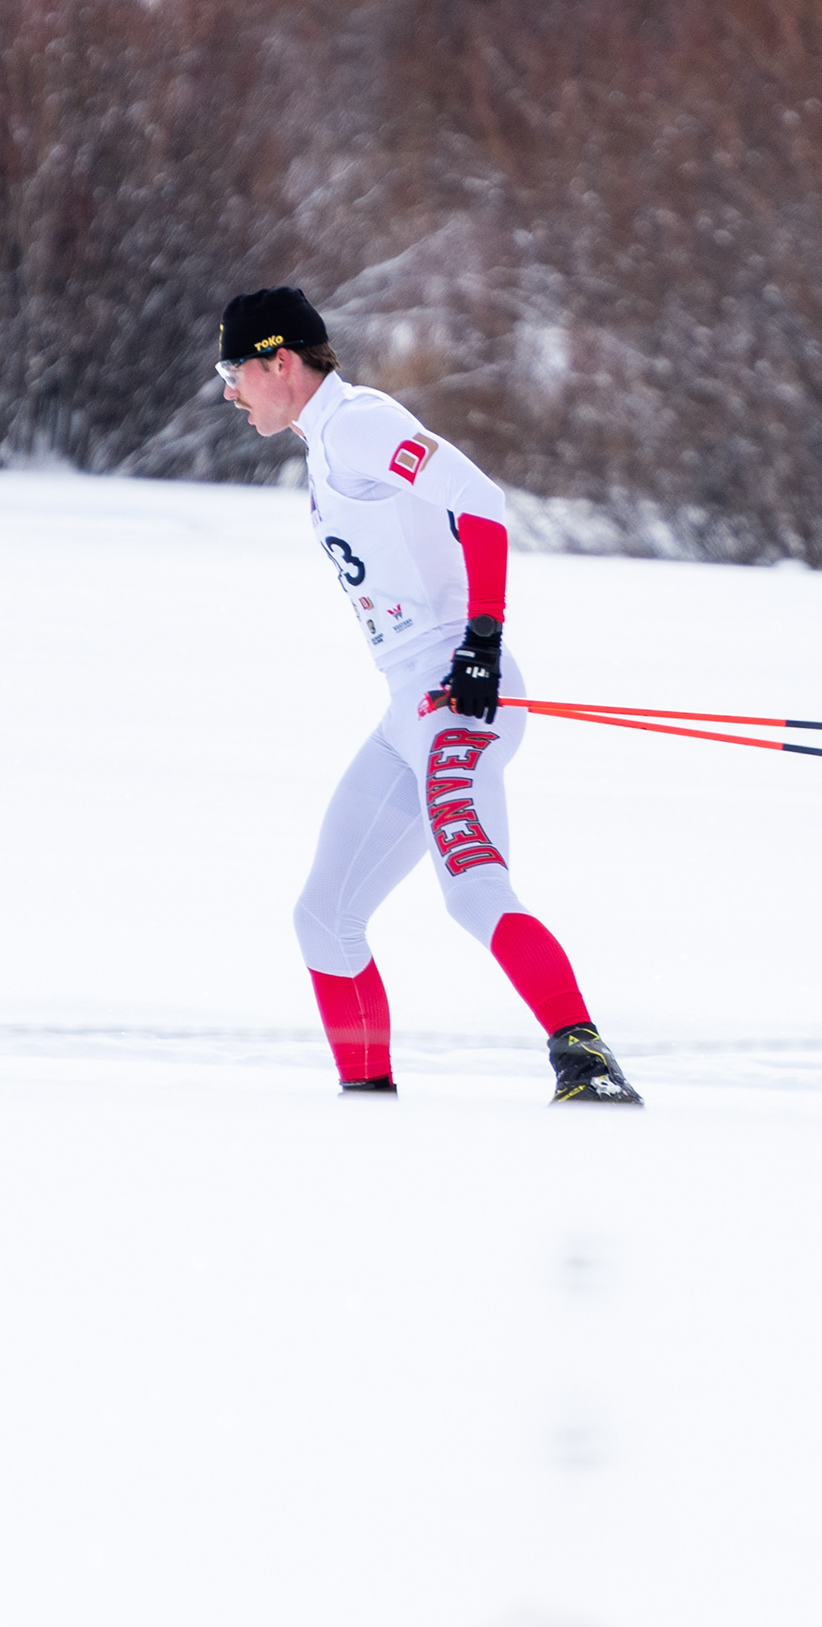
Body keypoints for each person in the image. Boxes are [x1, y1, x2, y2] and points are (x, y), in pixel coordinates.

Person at [213, 286, 643, 1106]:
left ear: (281, 362)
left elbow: (481, 501)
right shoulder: (327, 442)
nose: (230, 390)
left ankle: (588, 1063)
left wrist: (481, 643)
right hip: (411, 705)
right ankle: (367, 1101)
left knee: (474, 890)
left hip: (456, 693)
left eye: (233, 370)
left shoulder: (359, 423)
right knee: (324, 916)